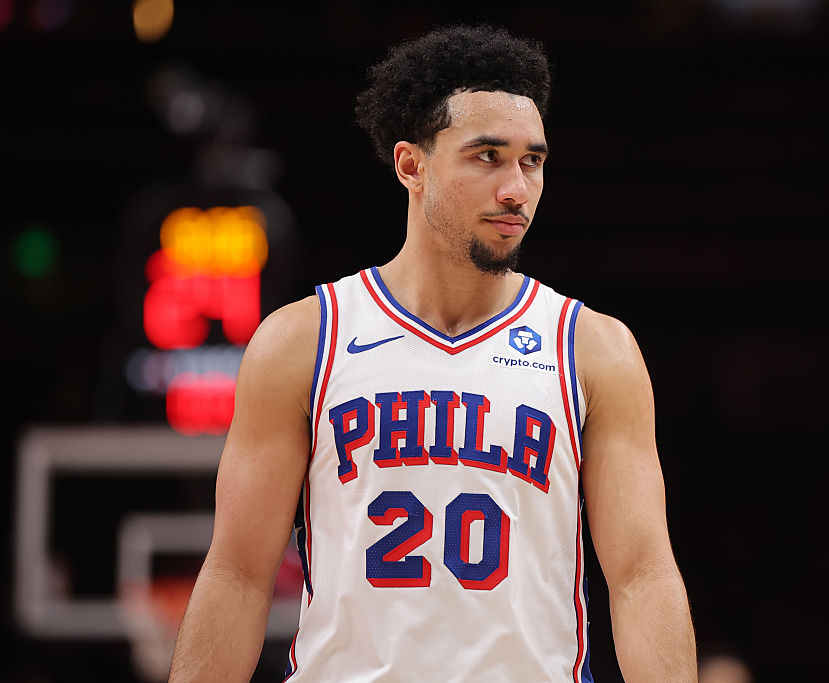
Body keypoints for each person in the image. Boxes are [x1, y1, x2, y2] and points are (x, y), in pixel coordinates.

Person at [169, 24, 696, 682]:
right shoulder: (304, 340)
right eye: (487, 156)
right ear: (411, 165)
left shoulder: (594, 349)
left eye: (532, 160)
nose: (517, 188)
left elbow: (643, 576)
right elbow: (239, 575)